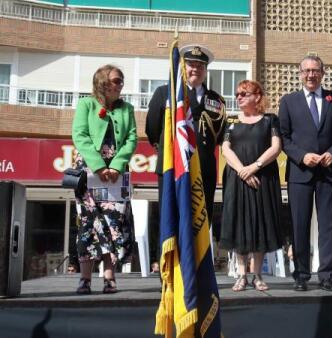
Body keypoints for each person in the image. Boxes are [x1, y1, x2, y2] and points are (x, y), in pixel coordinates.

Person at [279, 55, 332, 292]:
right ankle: (301, 275)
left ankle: (327, 276)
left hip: (329, 172)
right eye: (306, 71)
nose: (311, 75)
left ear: (323, 73)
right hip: (300, 173)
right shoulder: (288, 101)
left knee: (329, 225)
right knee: (299, 225)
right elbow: (283, 137)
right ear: (300, 74)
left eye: (315, 70)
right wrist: (302, 156)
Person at [71, 64, 137, 294]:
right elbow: (80, 135)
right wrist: (98, 166)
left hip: (116, 174)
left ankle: (109, 277)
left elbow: (131, 138)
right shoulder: (85, 104)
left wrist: (116, 166)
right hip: (90, 171)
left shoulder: (127, 109)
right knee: (88, 223)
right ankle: (85, 279)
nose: (120, 84)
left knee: (114, 223)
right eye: (117, 80)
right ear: (102, 82)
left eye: (121, 80)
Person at [146, 44, 226, 230]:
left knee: (200, 225)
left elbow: (220, 135)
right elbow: (152, 128)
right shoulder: (166, 93)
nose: (195, 69)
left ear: (206, 70)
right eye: (191, 64)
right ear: (183, 66)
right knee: (171, 222)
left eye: (200, 66)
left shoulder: (216, 100)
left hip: (204, 170)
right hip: (174, 167)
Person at [220, 80, 283, 291]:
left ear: (257, 96)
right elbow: (226, 149)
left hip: (263, 178)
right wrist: (242, 171)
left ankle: (257, 274)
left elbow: (276, 148)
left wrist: (254, 167)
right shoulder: (230, 120)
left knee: (260, 222)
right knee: (238, 222)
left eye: (244, 93)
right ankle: (241, 275)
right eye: (237, 94)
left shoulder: (270, 120)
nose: (238, 97)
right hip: (237, 178)